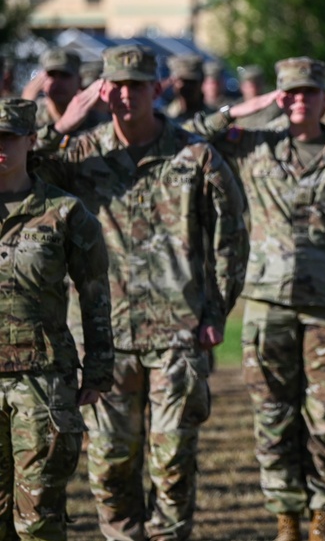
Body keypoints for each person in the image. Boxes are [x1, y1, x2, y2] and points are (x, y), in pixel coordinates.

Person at [34, 44, 249, 541]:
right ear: (103, 90)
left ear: (157, 89)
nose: (126, 96)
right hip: (103, 339)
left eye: (137, 85)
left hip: (178, 332)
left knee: (172, 459)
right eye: (117, 86)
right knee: (110, 464)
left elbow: (231, 238)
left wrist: (217, 308)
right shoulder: (79, 155)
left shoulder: (195, 155)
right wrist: (65, 123)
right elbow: (19, 169)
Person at [190, 56, 325, 541]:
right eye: (290, 93)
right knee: (272, 413)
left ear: (324, 97)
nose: (299, 102)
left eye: (308, 93)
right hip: (268, 300)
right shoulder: (255, 144)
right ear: (279, 96)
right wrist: (243, 108)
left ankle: (320, 513)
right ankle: (285, 516)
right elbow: (193, 137)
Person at [0, 99, 114, 541]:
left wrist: (99, 368)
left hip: (42, 382)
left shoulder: (65, 212)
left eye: (9, 137)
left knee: (39, 519)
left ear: (32, 140)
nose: (1, 147)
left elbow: (95, 295)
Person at [32, 47, 109, 134]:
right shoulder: (31, 117)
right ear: (41, 80)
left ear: (79, 81)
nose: (57, 83)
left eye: (65, 75)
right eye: (52, 75)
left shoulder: (98, 122)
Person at [165, 53, 214, 124]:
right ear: (173, 82)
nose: (187, 87)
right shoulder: (166, 116)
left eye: (192, 82)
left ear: (201, 82)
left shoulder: (212, 117)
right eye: (183, 81)